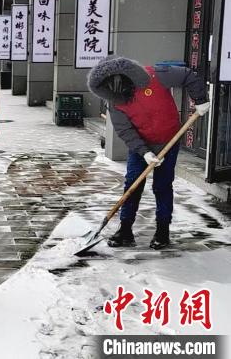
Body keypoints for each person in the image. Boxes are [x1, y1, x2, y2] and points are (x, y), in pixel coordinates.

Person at [87, 57, 210, 249]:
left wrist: (201, 99)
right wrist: (144, 152)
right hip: (141, 145)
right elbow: (125, 130)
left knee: (162, 186)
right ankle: (125, 229)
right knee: (132, 185)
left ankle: (163, 231)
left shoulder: (156, 75)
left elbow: (188, 76)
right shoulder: (114, 101)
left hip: (169, 139)